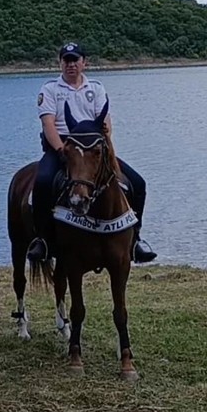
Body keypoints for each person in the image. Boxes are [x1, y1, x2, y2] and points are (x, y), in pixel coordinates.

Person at [26, 42, 157, 264]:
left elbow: (105, 124)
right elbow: (49, 125)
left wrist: (103, 151)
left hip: (94, 151)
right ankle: (43, 240)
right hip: (63, 149)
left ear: (84, 63)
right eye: (66, 61)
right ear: (60, 63)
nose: (71, 65)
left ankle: (135, 239)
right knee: (43, 182)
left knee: (138, 183)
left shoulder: (95, 88)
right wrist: (62, 151)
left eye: (75, 60)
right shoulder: (49, 90)